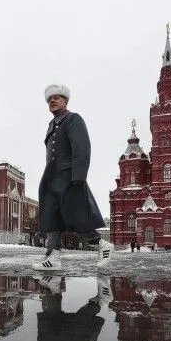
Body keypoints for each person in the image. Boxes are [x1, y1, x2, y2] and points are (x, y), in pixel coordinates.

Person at [32, 84, 113, 271]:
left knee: (75, 213)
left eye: (57, 97)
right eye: (49, 99)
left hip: (68, 174)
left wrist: (79, 176)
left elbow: (82, 147)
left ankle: (102, 246)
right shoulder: (52, 125)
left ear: (66, 101)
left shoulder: (72, 119)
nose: (52, 101)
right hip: (52, 177)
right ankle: (53, 257)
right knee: (51, 215)